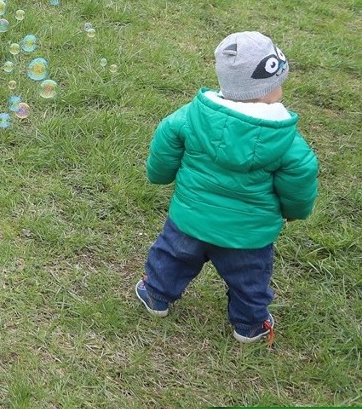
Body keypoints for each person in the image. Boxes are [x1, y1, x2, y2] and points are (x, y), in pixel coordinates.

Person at [135, 31, 318, 345]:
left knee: (172, 257)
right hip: (248, 235)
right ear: (266, 88)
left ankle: (155, 295)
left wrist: (158, 175)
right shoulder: (287, 141)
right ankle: (249, 326)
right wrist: (295, 212)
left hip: (189, 219)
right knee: (249, 280)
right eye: (277, 83)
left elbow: (166, 141)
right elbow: (300, 180)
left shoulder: (192, 115)